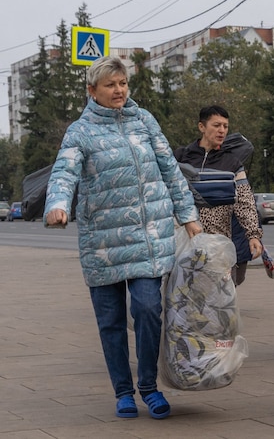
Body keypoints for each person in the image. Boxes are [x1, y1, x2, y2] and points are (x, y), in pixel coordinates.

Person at [44, 55, 202, 419]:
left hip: (148, 235)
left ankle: (148, 385)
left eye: (122, 84)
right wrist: (58, 204)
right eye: (110, 85)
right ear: (92, 91)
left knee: (148, 308)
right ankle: (123, 392)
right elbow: (64, 171)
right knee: (111, 321)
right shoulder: (79, 131)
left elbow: (170, 170)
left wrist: (188, 215)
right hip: (101, 242)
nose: (118, 91)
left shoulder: (144, 120)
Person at [174, 106, 263, 258]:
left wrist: (253, 234)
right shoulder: (181, 157)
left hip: (218, 243)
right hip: (183, 240)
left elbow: (245, 201)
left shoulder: (232, 163)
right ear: (202, 127)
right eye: (216, 125)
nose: (222, 130)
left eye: (225, 126)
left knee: (221, 281)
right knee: (182, 282)